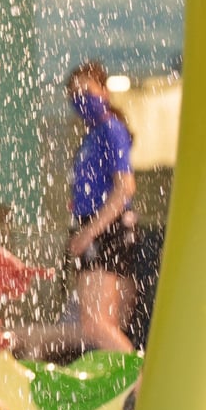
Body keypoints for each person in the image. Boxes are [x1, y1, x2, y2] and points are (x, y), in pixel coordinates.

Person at [66, 60, 137, 353]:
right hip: (97, 230)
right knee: (98, 325)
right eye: (75, 94)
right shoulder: (92, 136)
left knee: (96, 325)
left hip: (107, 231)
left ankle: (142, 388)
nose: (81, 98)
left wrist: (90, 233)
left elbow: (125, 189)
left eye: (87, 90)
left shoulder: (111, 130)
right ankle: (127, 392)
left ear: (104, 92)